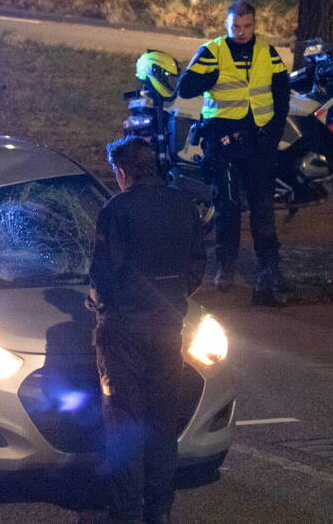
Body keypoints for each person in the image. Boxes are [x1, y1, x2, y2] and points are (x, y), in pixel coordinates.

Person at [88, 136, 206, 524]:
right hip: (169, 326)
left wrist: (106, 302)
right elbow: (197, 263)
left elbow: (104, 273)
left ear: (122, 172)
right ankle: (160, 511)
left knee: (124, 422)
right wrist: (172, 296)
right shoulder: (181, 204)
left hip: (124, 330)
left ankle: (127, 514)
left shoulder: (117, 210)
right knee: (162, 422)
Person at [176, 0, 291, 307]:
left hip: (259, 143)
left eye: (247, 26)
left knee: (263, 209)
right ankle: (225, 267)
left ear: (255, 25)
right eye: (235, 27)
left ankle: (269, 268)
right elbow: (184, 88)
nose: (241, 32)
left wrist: (273, 133)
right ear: (226, 26)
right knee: (227, 208)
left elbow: (282, 93)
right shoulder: (212, 51)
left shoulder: (268, 51)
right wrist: (210, 76)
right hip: (223, 142)